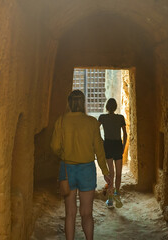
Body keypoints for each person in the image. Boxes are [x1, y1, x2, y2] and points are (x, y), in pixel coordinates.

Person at [51, 90, 111, 240]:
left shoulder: (61, 121)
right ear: (83, 103)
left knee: (70, 213)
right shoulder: (92, 122)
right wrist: (105, 171)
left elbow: (54, 146)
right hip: (87, 171)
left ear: (69, 103)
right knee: (87, 213)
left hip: (67, 170)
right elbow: (99, 149)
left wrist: (64, 155)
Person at [98, 98, 127, 208]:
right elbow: (125, 134)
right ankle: (117, 194)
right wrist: (123, 146)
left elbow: (96, 130)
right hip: (117, 145)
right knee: (119, 173)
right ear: (115, 107)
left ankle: (110, 200)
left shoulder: (102, 117)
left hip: (108, 145)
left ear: (106, 107)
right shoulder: (120, 118)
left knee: (111, 173)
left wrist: (101, 141)